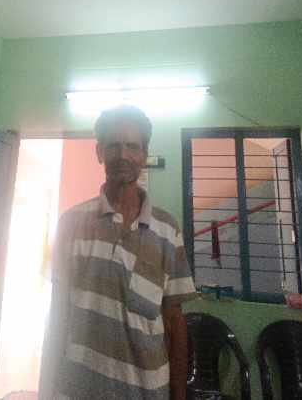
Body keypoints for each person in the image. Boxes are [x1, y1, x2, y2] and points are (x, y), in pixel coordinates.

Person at [39, 105, 196, 400]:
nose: (123, 155)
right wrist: (45, 390)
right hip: (77, 390)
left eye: (132, 146)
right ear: (99, 152)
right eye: (113, 146)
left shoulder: (168, 230)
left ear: (144, 155)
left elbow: (175, 323)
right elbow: (58, 313)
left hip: (148, 392)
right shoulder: (70, 223)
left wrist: (179, 395)